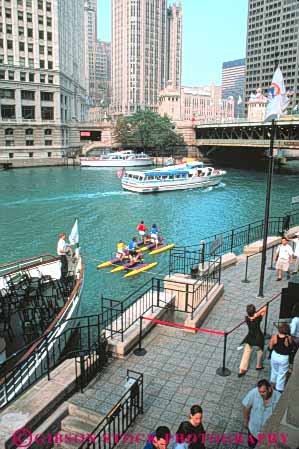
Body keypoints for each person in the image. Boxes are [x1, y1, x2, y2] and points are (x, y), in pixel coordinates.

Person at [242, 379, 281, 448]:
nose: (261, 394)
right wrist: (245, 420)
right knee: (251, 445)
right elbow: (247, 406)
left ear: (269, 389)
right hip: (253, 430)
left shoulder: (279, 398)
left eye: (263, 392)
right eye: (260, 392)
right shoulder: (254, 392)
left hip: (268, 433)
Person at [238, 304, 266, 377]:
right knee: (260, 348)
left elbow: (252, 316)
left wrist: (254, 315)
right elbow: (265, 308)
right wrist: (256, 315)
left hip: (250, 336)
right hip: (258, 336)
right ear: (254, 311)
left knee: (247, 351)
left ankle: (242, 369)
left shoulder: (246, 318)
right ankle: (258, 365)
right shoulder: (258, 317)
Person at [268, 322, 293, 392]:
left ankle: (273, 382)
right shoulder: (288, 338)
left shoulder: (274, 337)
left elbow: (270, 347)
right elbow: (291, 348)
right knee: (282, 373)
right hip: (284, 358)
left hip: (275, 355)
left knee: (274, 370)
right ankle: (279, 388)